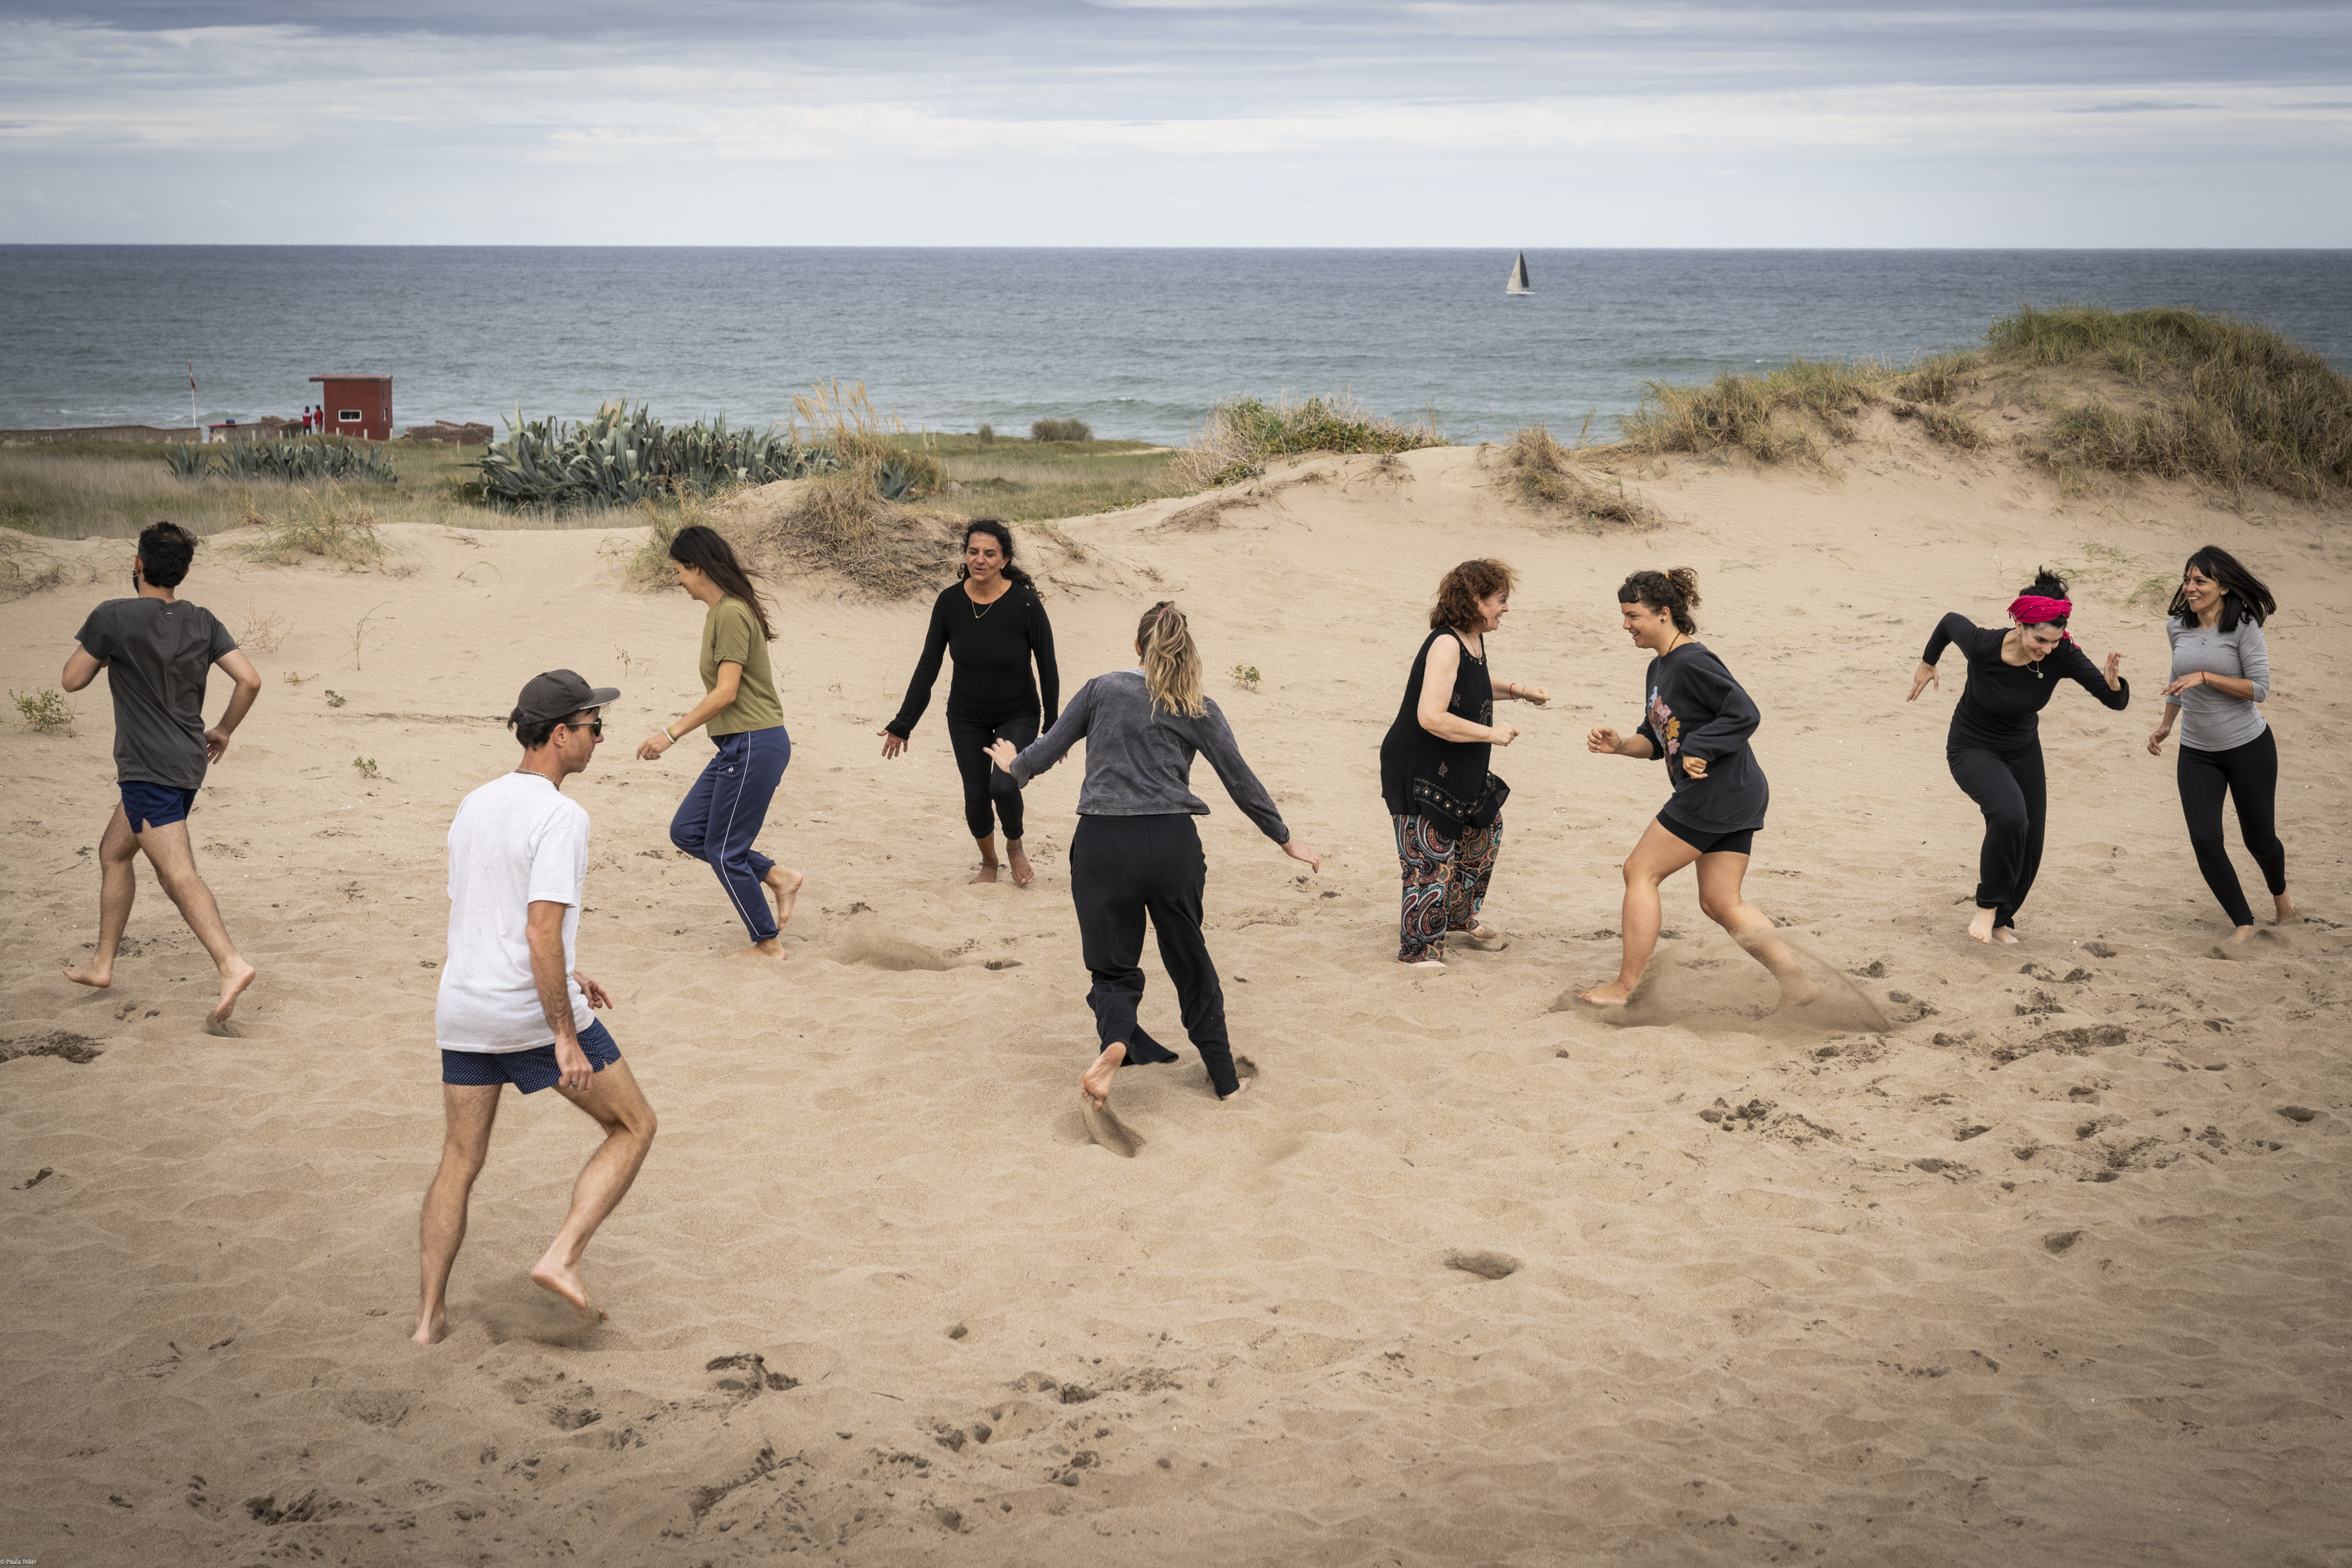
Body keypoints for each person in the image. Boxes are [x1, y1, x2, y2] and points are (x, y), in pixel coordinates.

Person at [986, 602, 1319, 1112]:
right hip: (1171, 845)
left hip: (1103, 843)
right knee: (1189, 959)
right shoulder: (1197, 705)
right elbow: (1239, 778)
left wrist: (1016, 765)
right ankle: (1225, 1080)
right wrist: (1284, 838)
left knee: (1112, 968)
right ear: (1186, 651)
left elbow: (1047, 751)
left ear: (1138, 646)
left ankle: (1117, 1041)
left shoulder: (1101, 689)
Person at [416, 670, 658, 1346]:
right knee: (634, 1125)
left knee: (459, 1159)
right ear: (558, 735)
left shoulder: (475, 802)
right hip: (524, 1011)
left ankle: (429, 1320)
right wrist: (564, 1034)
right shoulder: (561, 816)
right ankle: (562, 1256)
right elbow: (538, 929)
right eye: (592, 727)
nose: (599, 738)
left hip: (463, 1005)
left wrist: (569, 969)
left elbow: (484, 910)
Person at [1580, 568, 1818, 1009]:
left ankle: (1627, 986)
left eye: (1633, 615)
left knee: (1640, 870)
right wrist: (1621, 745)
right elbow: (1657, 740)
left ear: (1664, 613)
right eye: (1624, 615)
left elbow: (1744, 711)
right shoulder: (1659, 666)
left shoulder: (1692, 661)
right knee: (1720, 901)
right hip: (1736, 792)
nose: (1625, 625)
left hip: (1715, 791)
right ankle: (1798, 985)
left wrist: (1700, 748)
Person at [59, 520, 262, 1028]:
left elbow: (71, 680)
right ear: (184, 572)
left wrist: (110, 652)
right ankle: (102, 963)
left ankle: (230, 963)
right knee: (114, 852)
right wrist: (223, 730)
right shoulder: (203, 620)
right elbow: (249, 680)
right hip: (187, 762)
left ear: (138, 564)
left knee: (176, 874)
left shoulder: (113, 616)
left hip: (148, 767)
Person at [1909, 567, 2129, 944]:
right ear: (2020, 625)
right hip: (1972, 746)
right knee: (2010, 816)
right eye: (2040, 639)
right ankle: (1986, 907)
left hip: (2023, 750)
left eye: (2055, 641)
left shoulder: (2063, 654)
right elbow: (1948, 622)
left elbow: (2115, 701)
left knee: (2031, 839)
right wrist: (1929, 661)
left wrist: (2114, 684)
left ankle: (1999, 921)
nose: (2047, 649)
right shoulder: (1983, 644)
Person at [634, 525, 801, 959]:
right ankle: (778, 877)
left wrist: (669, 735)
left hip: (753, 742)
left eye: (679, 571)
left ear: (698, 567)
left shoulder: (730, 613)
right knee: (687, 830)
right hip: (738, 746)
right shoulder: (722, 612)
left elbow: (726, 692)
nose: (677, 581)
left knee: (725, 851)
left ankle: (768, 943)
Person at [1376, 558, 1550, 969]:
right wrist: (1490, 733)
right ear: (1474, 600)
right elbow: (1430, 717)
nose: (1505, 608)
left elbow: (1472, 681)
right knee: (1429, 860)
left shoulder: (1472, 639)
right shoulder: (1445, 643)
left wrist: (1519, 691)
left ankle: (1455, 914)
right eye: (1499, 600)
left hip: (1457, 763)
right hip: (1421, 765)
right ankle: (1419, 951)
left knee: (1484, 833)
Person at [880, 520, 1060, 885]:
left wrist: (1054, 730)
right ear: (965, 555)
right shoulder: (949, 602)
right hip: (966, 716)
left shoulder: (1025, 603)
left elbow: (1048, 666)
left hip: (1018, 712)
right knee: (976, 794)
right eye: (973, 551)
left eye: (989, 553)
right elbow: (929, 664)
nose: (980, 559)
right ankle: (989, 862)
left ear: (1004, 560)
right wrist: (903, 723)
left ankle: (1014, 846)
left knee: (1003, 786)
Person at [2145, 546, 2291, 940]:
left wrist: (2208, 677)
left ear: (2223, 586)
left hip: (2248, 748)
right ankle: (2243, 921)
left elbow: (2259, 689)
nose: (2190, 588)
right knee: (2205, 839)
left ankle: (2281, 897)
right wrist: (2166, 724)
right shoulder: (2177, 627)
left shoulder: (2244, 627)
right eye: (2186, 580)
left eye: (2200, 581)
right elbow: (2178, 677)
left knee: (2260, 841)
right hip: (2197, 752)